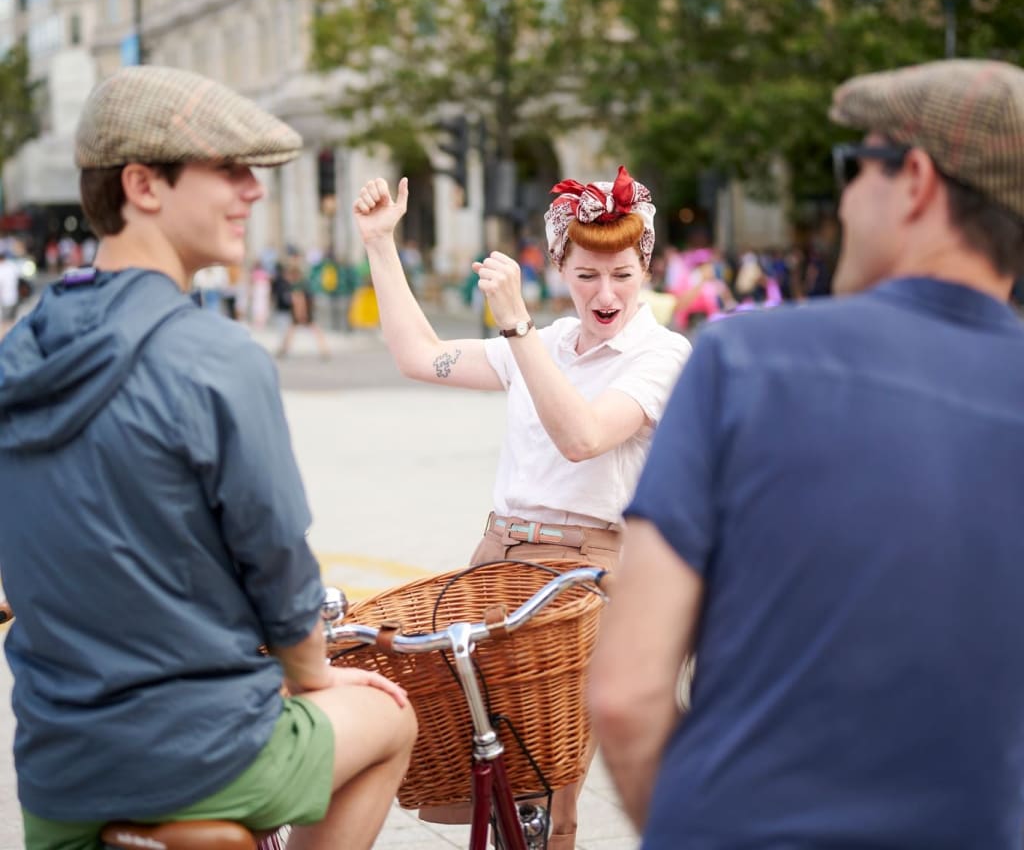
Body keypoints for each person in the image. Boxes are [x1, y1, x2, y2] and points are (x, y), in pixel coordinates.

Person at [588, 59, 1024, 848]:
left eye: (852, 167)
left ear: (916, 179)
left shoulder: (742, 362)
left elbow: (625, 694)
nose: (844, 199)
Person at [0, 66, 416, 850]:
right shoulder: (215, 356)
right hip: (203, 754)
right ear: (143, 186)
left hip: (58, 775)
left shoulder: (19, 350)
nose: (253, 190)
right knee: (392, 715)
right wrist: (314, 677)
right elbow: (278, 568)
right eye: (227, 169)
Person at [353, 164, 691, 850]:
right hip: (498, 559)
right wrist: (380, 245)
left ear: (647, 267)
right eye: (588, 273)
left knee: (549, 794)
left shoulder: (661, 353)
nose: (606, 293)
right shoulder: (547, 343)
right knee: (487, 771)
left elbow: (584, 436)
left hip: (584, 577)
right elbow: (419, 355)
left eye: (624, 274)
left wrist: (518, 330)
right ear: (559, 264)